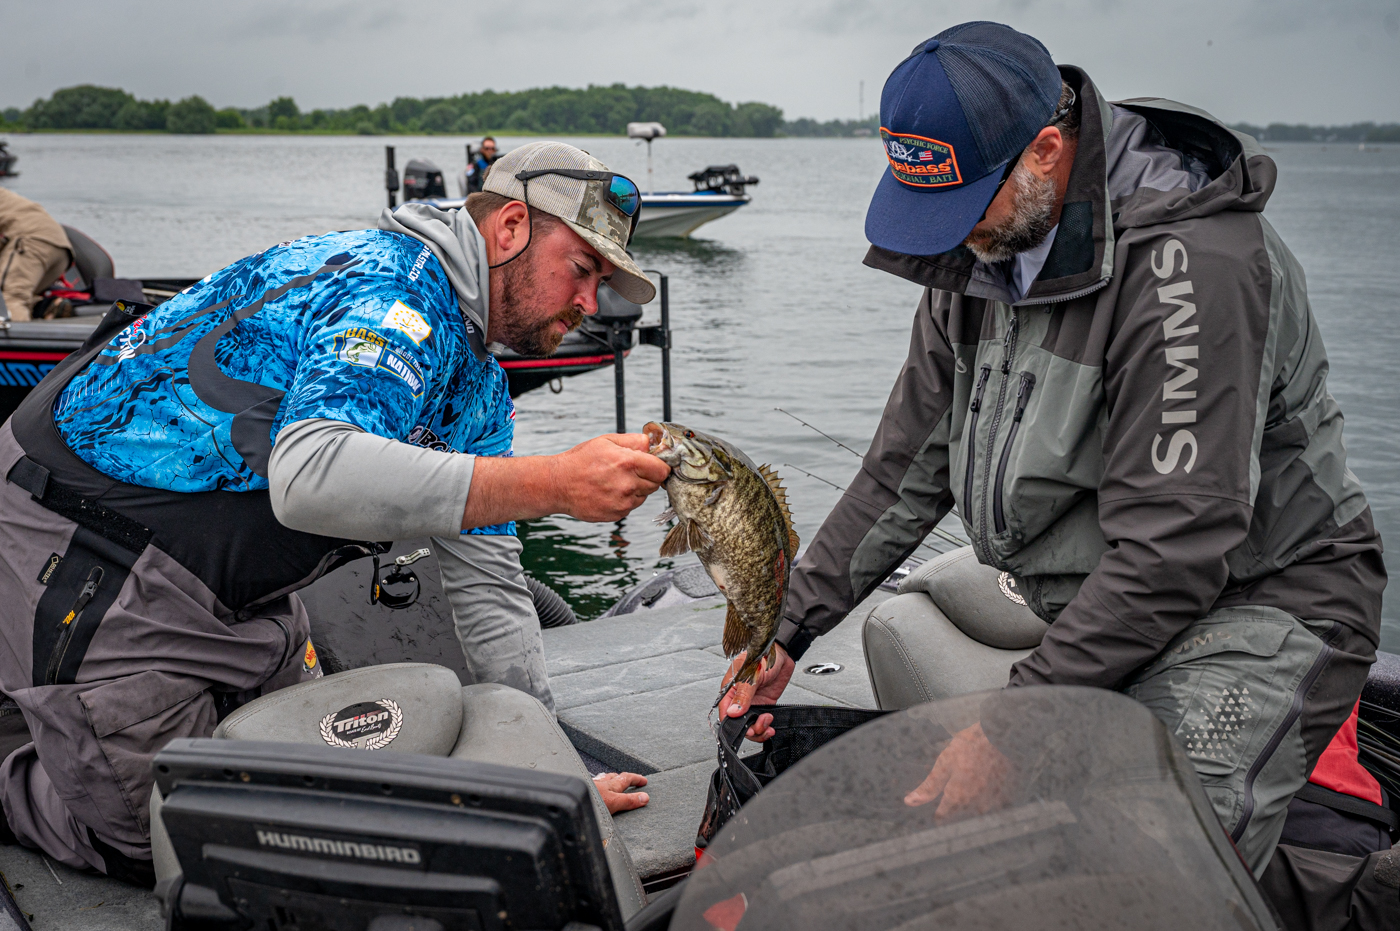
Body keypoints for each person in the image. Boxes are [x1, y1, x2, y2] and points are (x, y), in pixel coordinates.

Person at [722, 21, 1397, 919]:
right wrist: (786, 628)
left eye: (968, 205)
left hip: (1259, 602)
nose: (953, 237)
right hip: (1104, 603)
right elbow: (902, 468)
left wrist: (1014, 722)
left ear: (1047, 149)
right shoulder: (981, 245)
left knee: (1146, 870)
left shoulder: (1190, 264)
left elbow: (1174, 550)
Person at [0, 141, 662, 883]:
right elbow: (312, 477)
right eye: (582, 268)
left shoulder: (477, 386)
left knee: (310, 807)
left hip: (237, 581)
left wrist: (554, 773)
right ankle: (21, 771)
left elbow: (489, 585)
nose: (589, 302)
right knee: (171, 838)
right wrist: (555, 483)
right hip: (91, 543)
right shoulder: (390, 291)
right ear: (510, 228)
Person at [0, 187, 72, 323]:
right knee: (23, 295)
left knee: (9, 298)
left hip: (31, 242)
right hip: (61, 249)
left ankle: (16, 335)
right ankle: (46, 307)